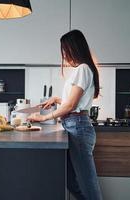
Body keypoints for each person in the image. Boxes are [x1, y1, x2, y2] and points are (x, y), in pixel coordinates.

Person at [27, 29, 103, 200]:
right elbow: (72, 101)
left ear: (73, 48)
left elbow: (72, 105)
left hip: (79, 127)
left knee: (88, 185)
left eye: (65, 50)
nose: (64, 55)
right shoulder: (82, 69)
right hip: (73, 126)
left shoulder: (83, 68)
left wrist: (44, 117)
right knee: (70, 179)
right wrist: (57, 99)